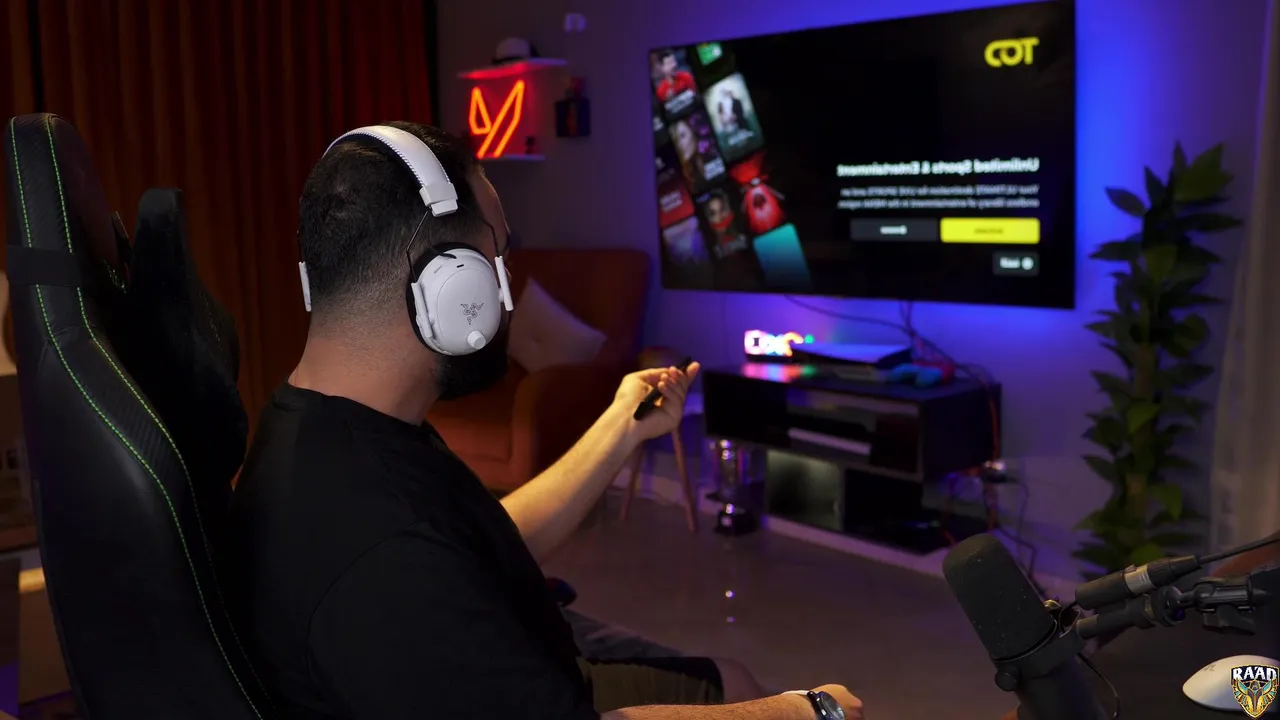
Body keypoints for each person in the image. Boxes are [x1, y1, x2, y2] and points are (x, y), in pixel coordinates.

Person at [223, 121, 865, 720]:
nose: (506, 287)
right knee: (764, 695)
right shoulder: (383, 551)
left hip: (522, 648)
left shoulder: (333, 427)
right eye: (499, 257)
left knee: (732, 676)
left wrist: (620, 425)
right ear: (452, 284)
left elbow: (483, 543)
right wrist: (812, 711)